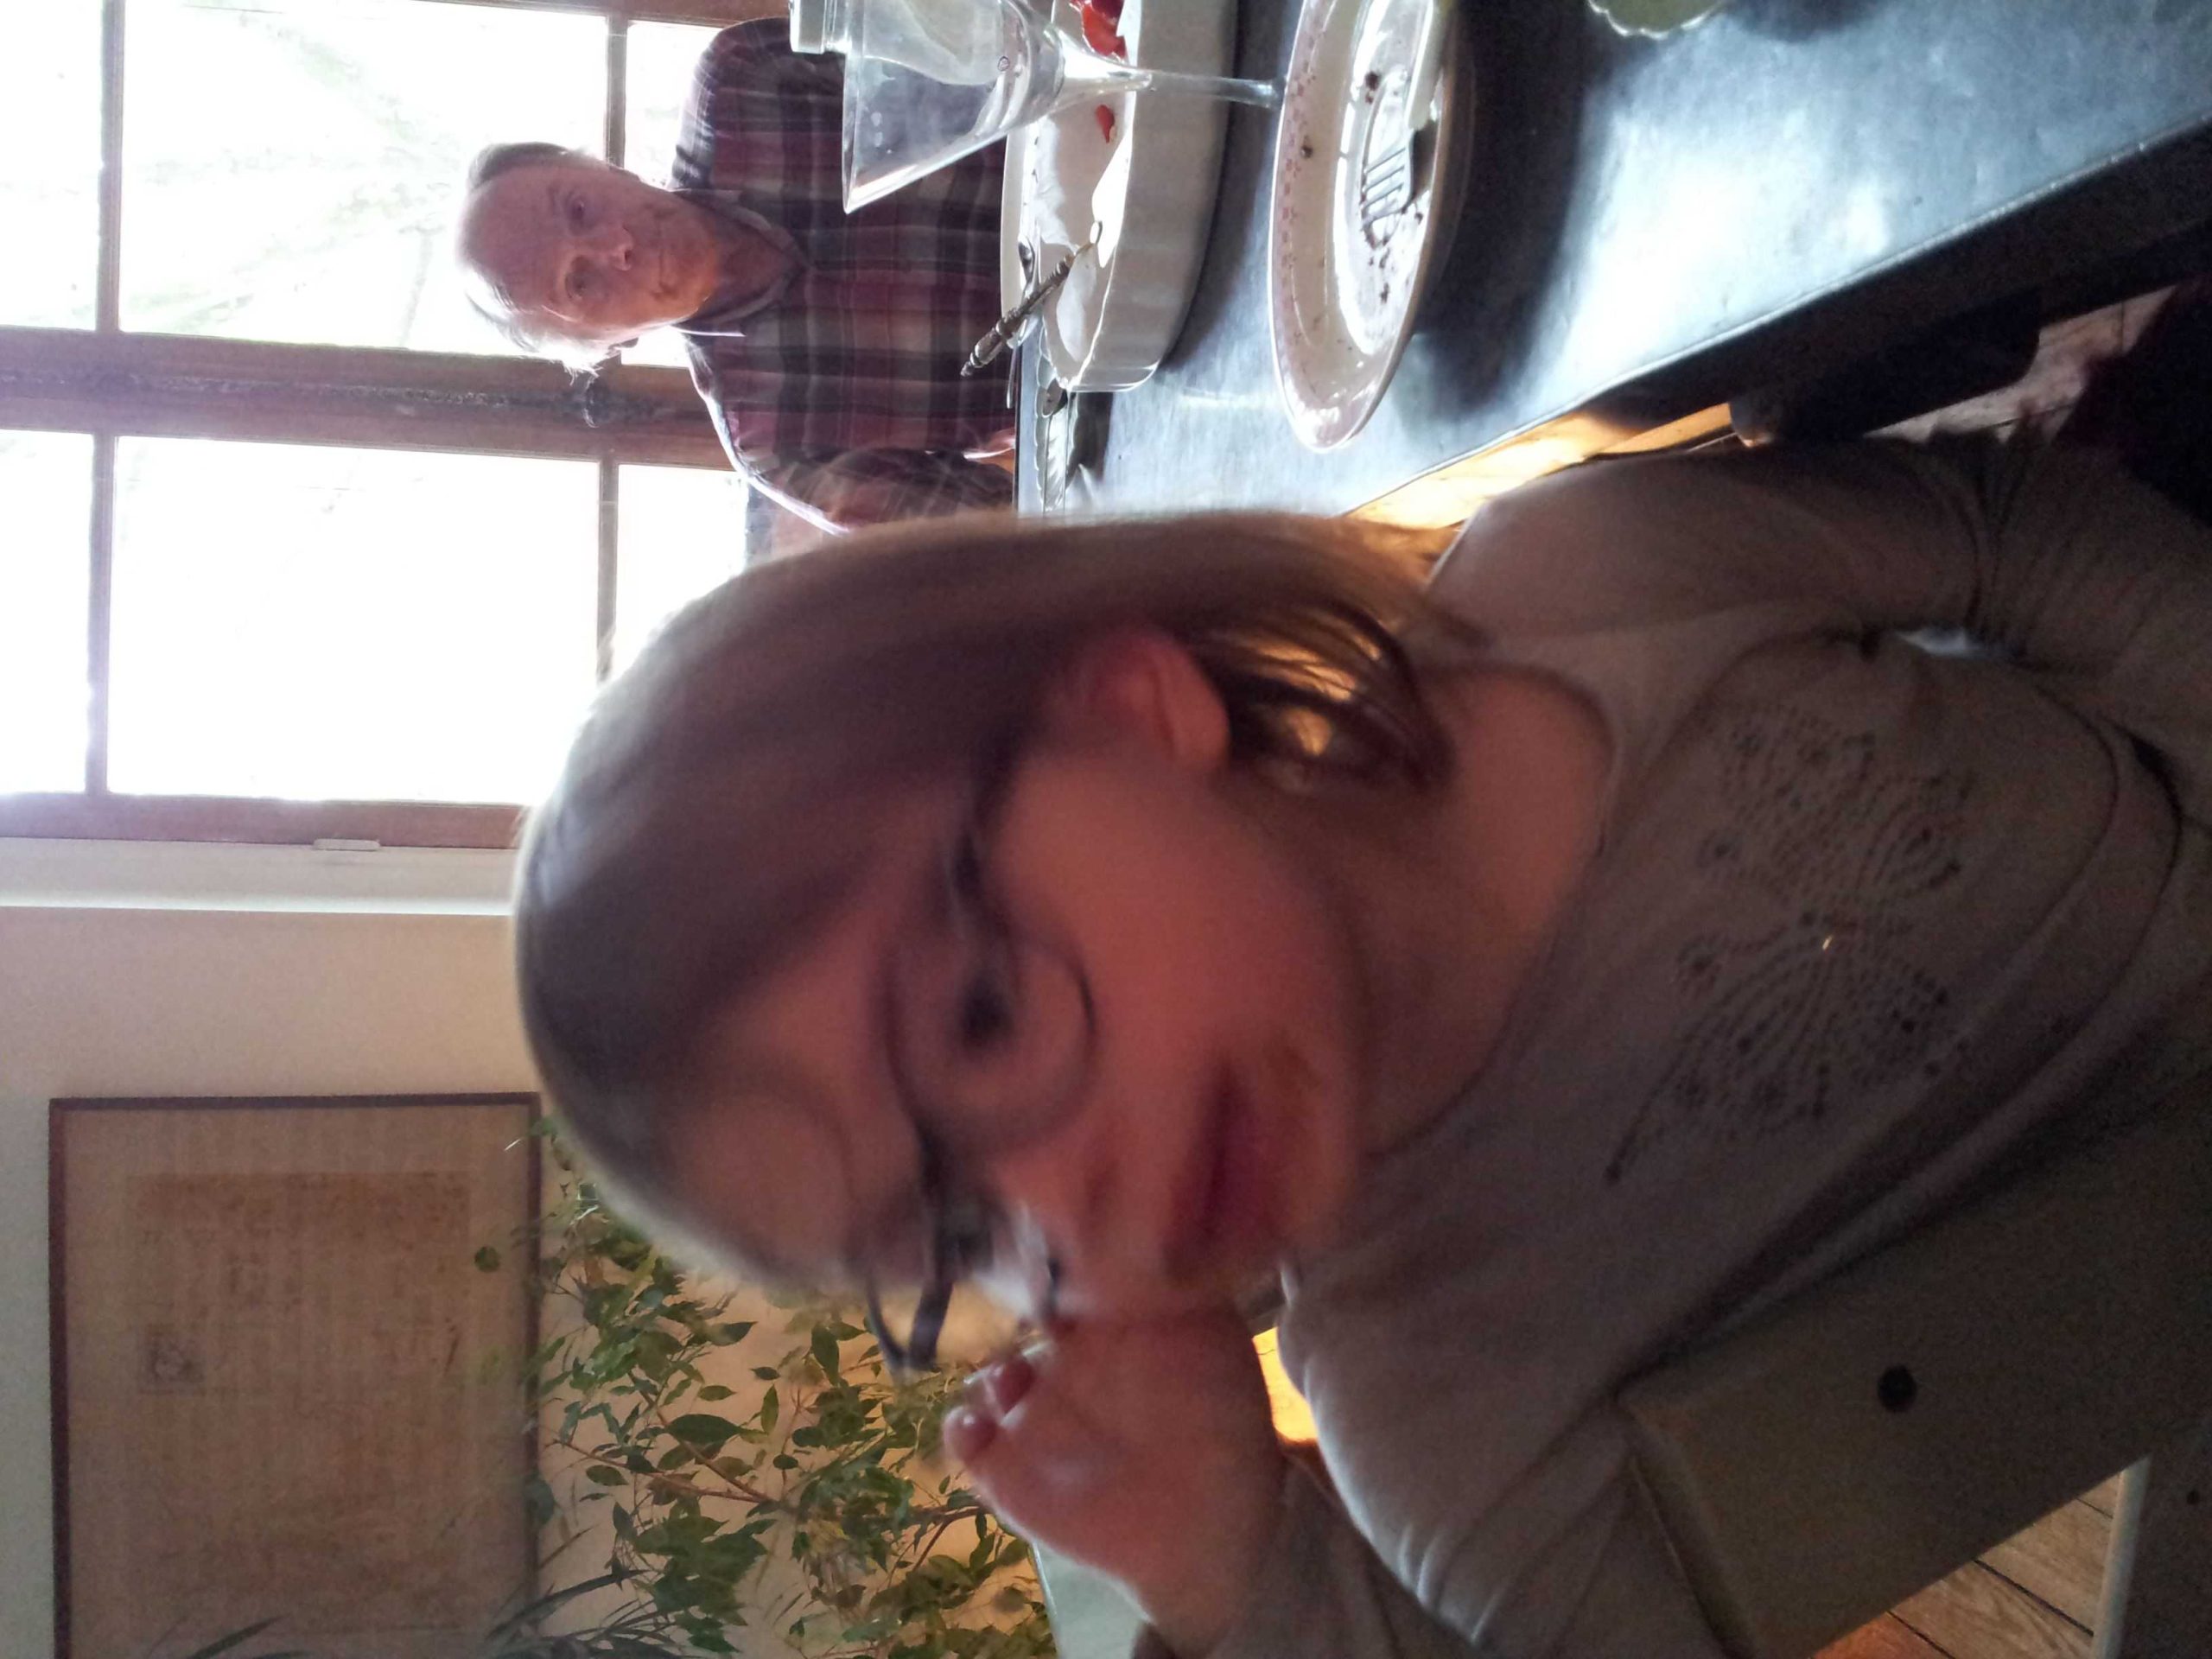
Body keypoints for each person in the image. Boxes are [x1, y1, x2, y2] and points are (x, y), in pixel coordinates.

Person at [510, 429, 2212, 1658]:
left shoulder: (1580, 591)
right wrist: (1245, 1578)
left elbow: (2003, 530)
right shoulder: (1441, 1413)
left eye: (980, 1010)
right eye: (958, 1230)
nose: (1062, 1206)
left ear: (1130, 712)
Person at [456, 17, 1011, 533]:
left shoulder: (745, 79)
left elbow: (987, 40)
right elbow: (1009, 529)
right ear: (609, 344)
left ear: (605, 168)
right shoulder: (775, 442)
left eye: (580, 210)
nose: (616, 247)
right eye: (580, 284)